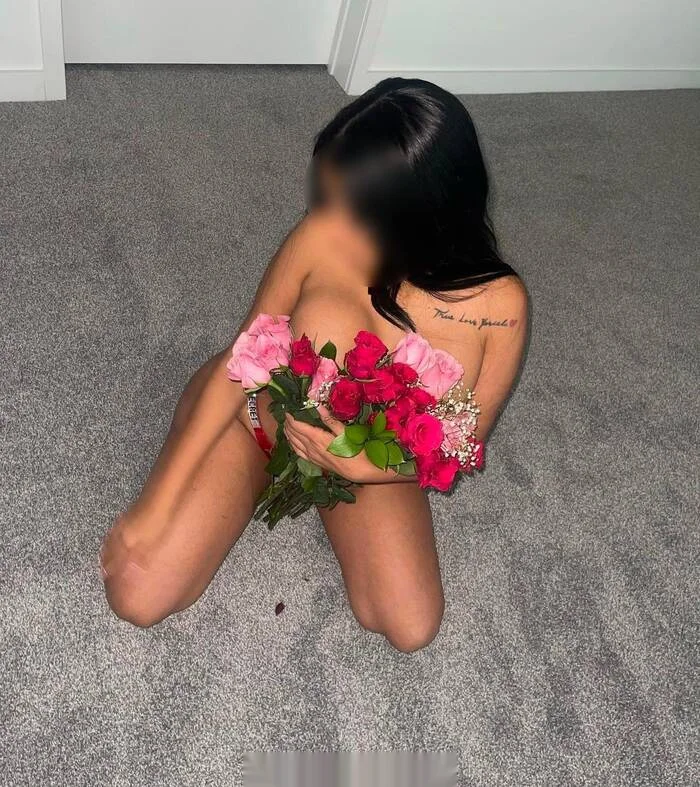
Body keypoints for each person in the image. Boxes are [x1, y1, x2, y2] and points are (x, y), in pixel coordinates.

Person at [99, 78, 528, 652]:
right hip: (256, 418)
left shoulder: (499, 307)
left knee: (408, 624)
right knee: (137, 595)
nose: (327, 217)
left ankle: (324, 490)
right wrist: (150, 512)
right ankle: (230, 475)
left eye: (354, 208)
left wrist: (362, 468)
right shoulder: (322, 233)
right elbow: (241, 360)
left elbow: (462, 445)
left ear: (423, 212)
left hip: (361, 468)